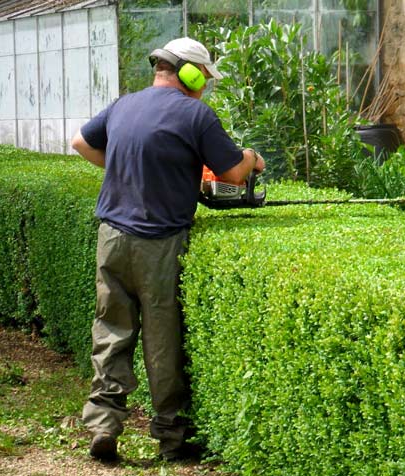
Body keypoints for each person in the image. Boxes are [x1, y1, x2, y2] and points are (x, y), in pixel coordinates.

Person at [71, 37, 265, 462]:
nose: (206, 87)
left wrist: (129, 165)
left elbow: (81, 144)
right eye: (204, 78)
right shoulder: (195, 114)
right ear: (191, 73)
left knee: (111, 332)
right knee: (162, 343)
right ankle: (172, 441)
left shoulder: (124, 105)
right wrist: (252, 157)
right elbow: (233, 174)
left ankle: (103, 425)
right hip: (158, 244)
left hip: (112, 238)